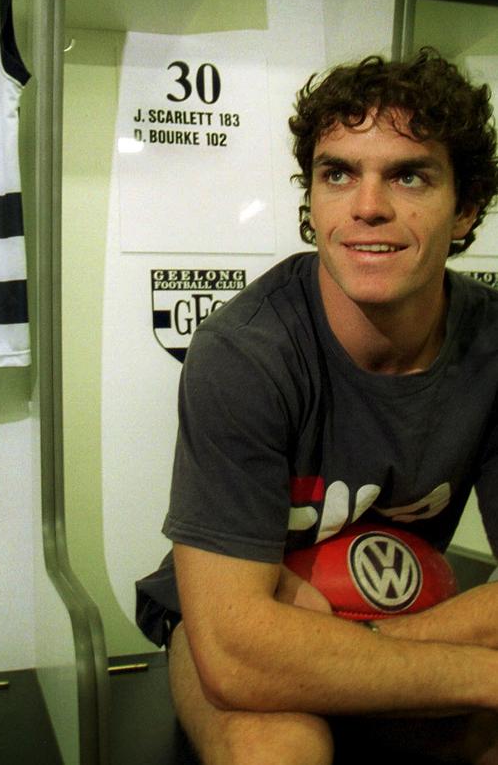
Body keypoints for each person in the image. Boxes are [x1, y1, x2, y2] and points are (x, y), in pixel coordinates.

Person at [135, 48, 498, 765]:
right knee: (280, 749)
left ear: (465, 209)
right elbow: (237, 650)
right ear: (312, 199)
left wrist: (355, 655)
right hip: (243, 624)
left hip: (400, 616)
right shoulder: (247, 351)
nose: (367, 206)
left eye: (408, 174)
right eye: (338, 173)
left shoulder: (492, 346)